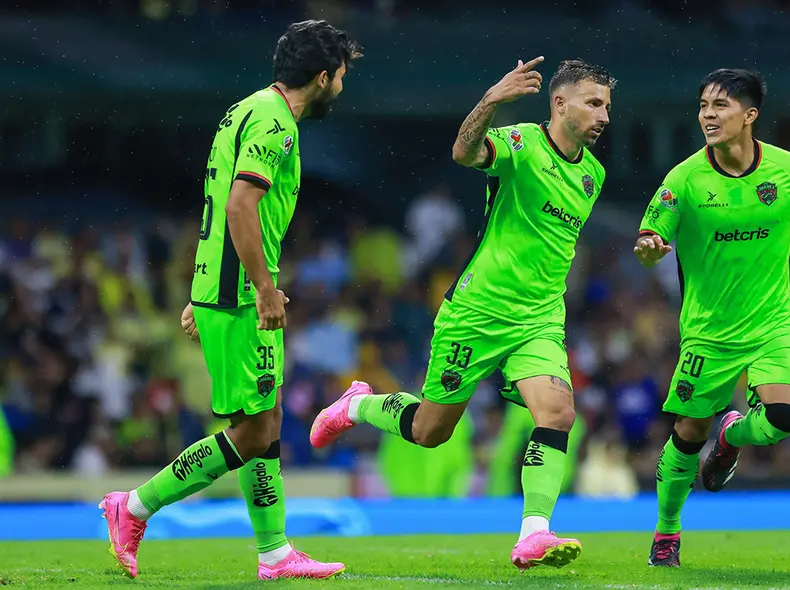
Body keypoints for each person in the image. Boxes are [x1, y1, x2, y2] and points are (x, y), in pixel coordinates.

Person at [310, 57, 615, 571]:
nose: (604, 115)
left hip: (538, 319)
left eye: (607, 105)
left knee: (558, 413)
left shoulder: (594, 175)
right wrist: (491, 101)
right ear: (559, 104)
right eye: (594, 103)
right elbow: (463, 151)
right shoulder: (521, 144)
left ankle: (534, 533)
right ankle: (359, 406)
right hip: (476, 312)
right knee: (431, 432)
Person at [99, 20, 363, 581]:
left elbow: (218, 201)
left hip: (226, 287)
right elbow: (241, 205)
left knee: (261, 424)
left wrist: (207, 291)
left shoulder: (242, 109)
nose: (341, 88)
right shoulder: (277, 125)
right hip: (242, 294)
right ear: (321, 77)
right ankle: (136, 506)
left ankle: (274, 554)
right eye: (340, 77)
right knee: (253, 431)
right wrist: (262, 288)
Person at [633, 68, 790, 567]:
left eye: (719, 106)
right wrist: (649, 249)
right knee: (687, 432)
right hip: (709, 333)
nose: (707, 115)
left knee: (785, 417)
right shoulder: (683, 179)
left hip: (773, 325)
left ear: (749, 115)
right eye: (703, 105)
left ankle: (733, 436)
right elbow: (649, 235)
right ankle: (667, 531)